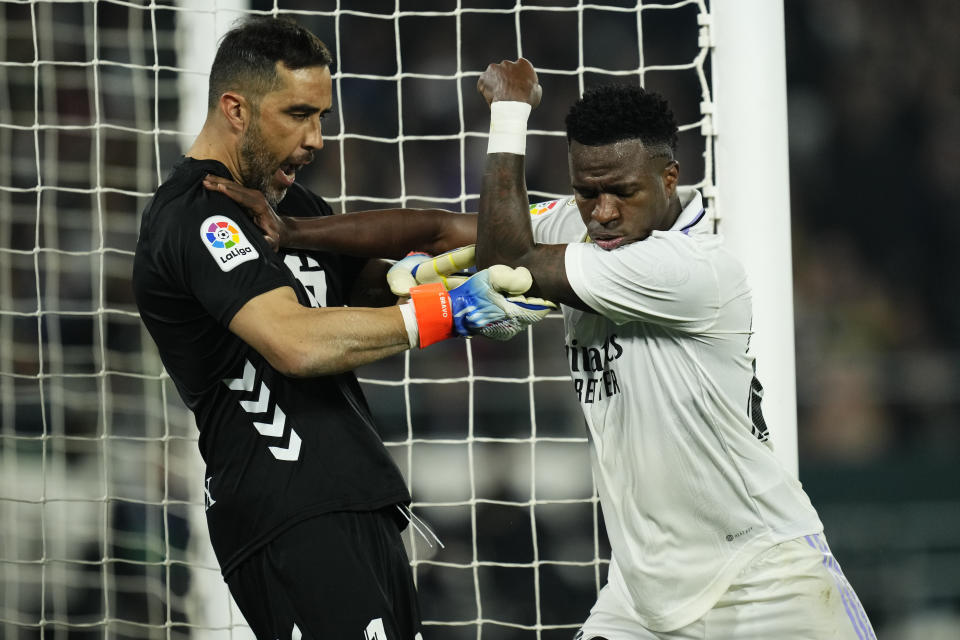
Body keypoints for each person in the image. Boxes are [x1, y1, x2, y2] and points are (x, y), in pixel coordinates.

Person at [224, 57, 878, 639]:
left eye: (622, 191)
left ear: (670, 176)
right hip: (646, 595)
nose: (603, 213)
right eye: (587, 192)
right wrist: (294, 230)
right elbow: (438, 227)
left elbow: (508, 257)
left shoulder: (692, 269)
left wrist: (509, 114)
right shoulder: (584, 225)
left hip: (763, 576)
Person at [131, 18, 550, 640]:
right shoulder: (195, 216)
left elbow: (370, 288)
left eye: (321, 116)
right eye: (298, 114)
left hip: (361, 499)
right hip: (288, 508)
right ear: (235, 109)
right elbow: (296, 342)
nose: (316, 138)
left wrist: (438, 278)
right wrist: (453, 310)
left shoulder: (292, 208)